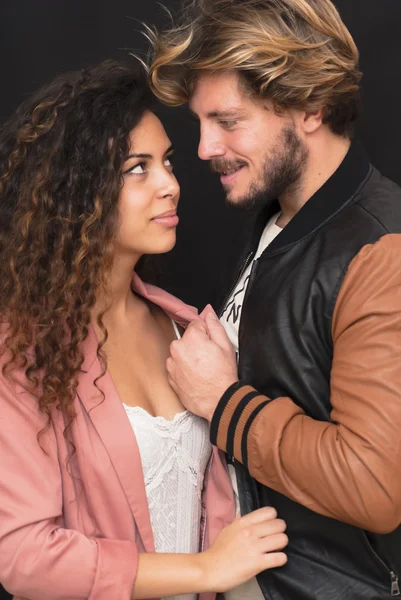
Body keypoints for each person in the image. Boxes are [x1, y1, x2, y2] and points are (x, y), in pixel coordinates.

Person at [0, 60, 289, 600]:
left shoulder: (189, 330)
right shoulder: (22, 352)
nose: (170, 186)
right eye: (138, 168)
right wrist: (205, 570)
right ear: (75, 193)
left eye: (167, 162)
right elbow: (24, 555)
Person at [148, 0, 401, 598]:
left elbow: (375, 486)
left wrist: (223, 401)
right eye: (201, 122)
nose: (205, 148)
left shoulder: (381, 254)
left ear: (310, 106)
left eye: (228, 121)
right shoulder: (273, 214)